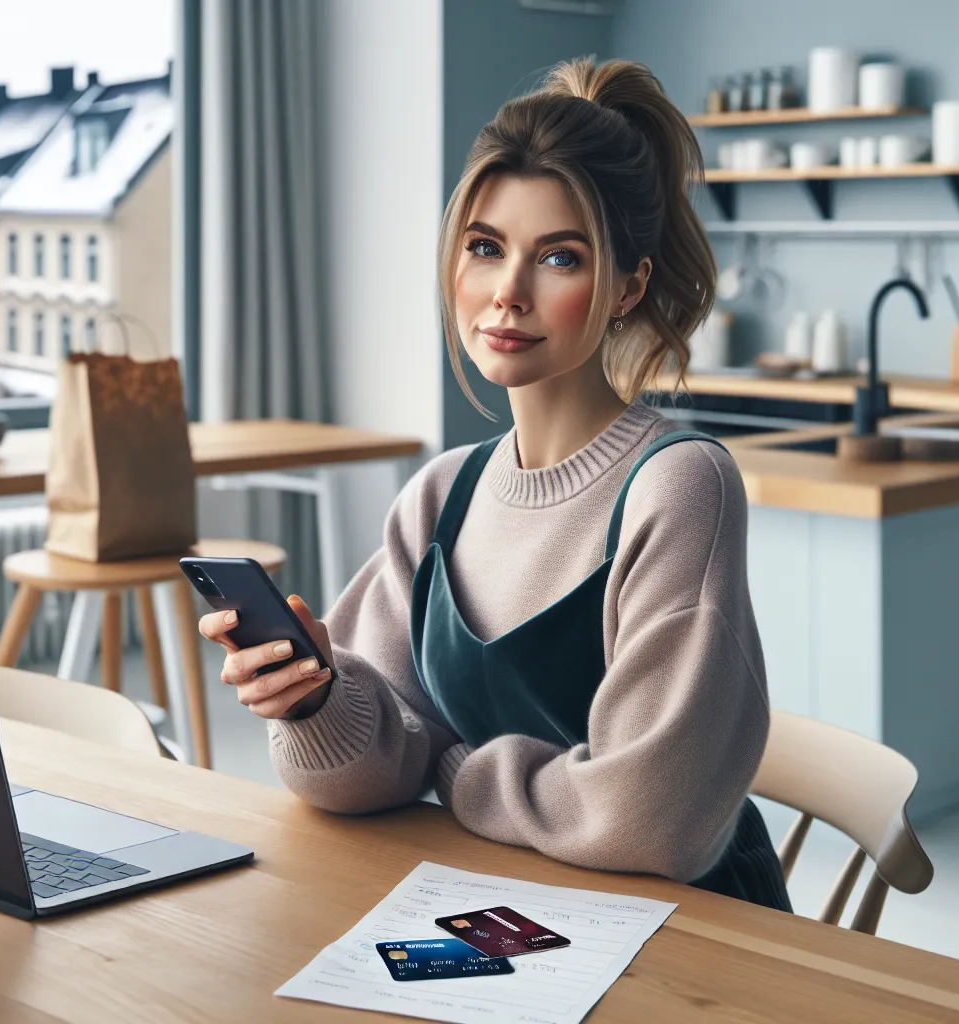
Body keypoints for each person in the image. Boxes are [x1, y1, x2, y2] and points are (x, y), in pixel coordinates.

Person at [198, 57, 790, 910]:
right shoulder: (444, 496)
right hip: (516, 907)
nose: (506, 293)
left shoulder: (679, 484)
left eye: (558, 258)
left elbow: (651, 823)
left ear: (629, 284)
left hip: (695, 934)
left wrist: (452, 771)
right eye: (485, 247)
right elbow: (370, 774)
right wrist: (315, 702)